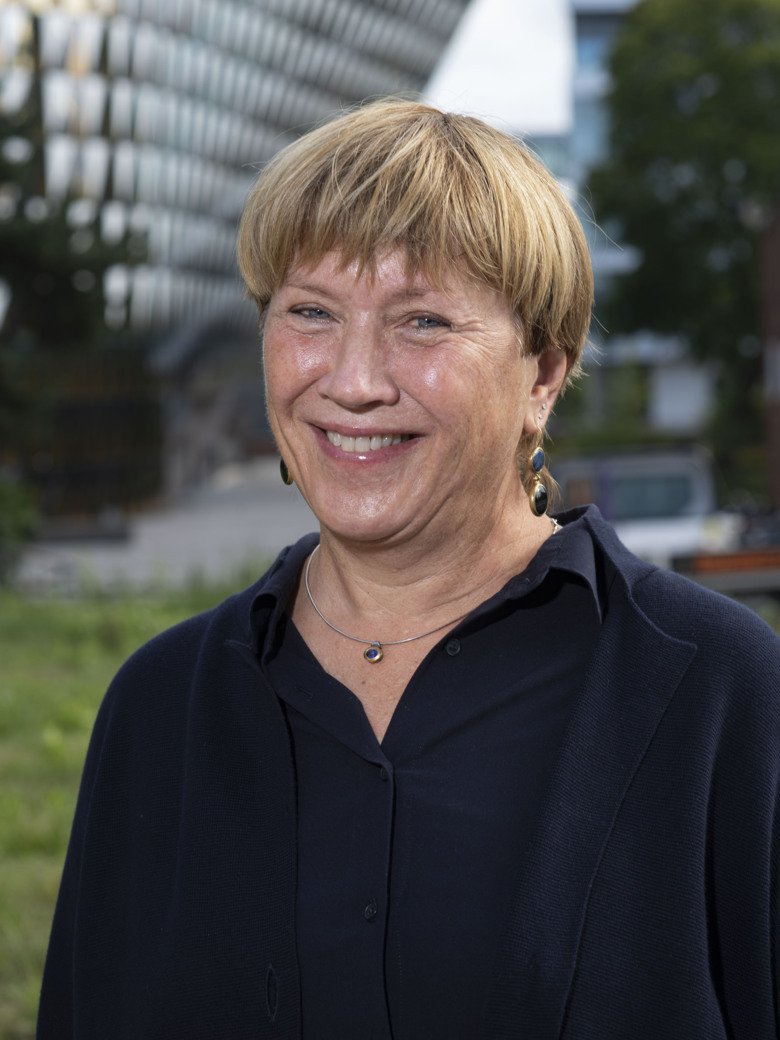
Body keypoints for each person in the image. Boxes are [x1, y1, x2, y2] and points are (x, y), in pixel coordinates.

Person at [38, 99, 780, 1040]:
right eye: (310, 311)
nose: (352, 381)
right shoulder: (158, 707)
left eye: (422, 322)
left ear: (543, 377)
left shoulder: (718, 691)